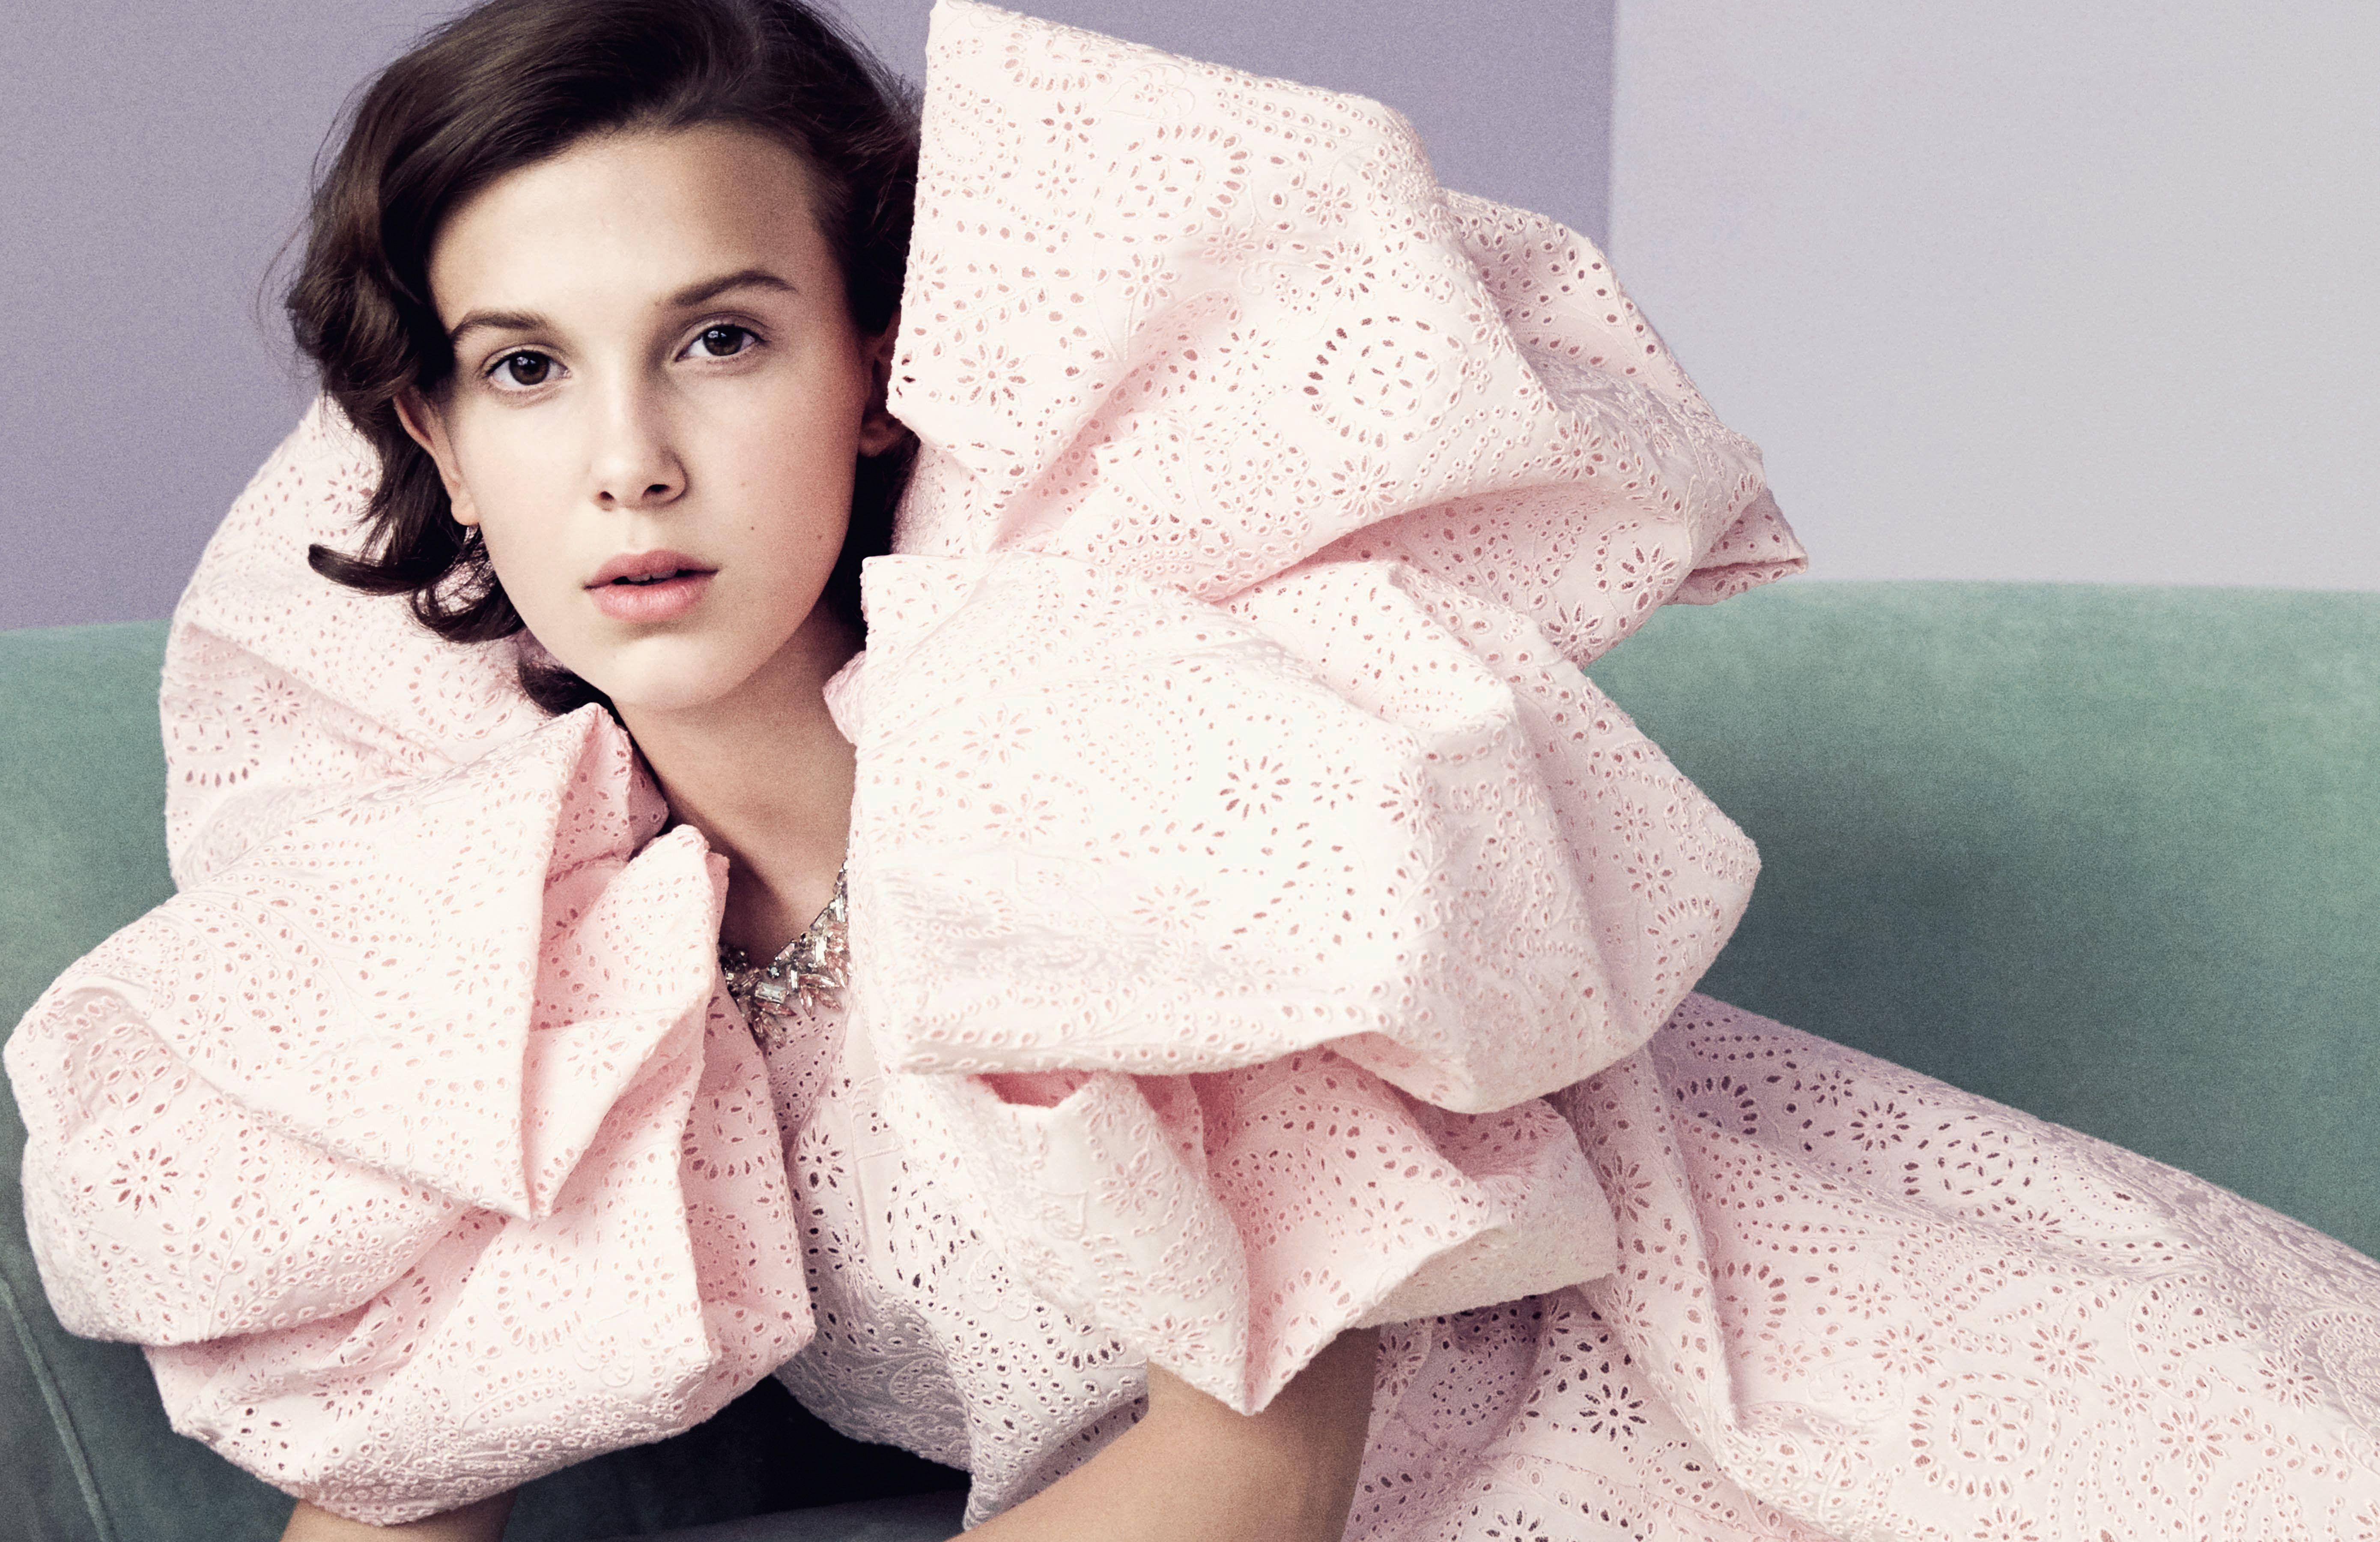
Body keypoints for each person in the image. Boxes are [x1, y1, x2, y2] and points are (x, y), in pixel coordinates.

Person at [9, 1, 2379, 1540]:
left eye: (719, 340)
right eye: (525, 369)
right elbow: (394, 1486)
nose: (626, 459)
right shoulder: (513, 938)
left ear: (875, 378)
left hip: (1802, 1409)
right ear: (430, 431)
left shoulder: (1143, 776)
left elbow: (1251, 1485)